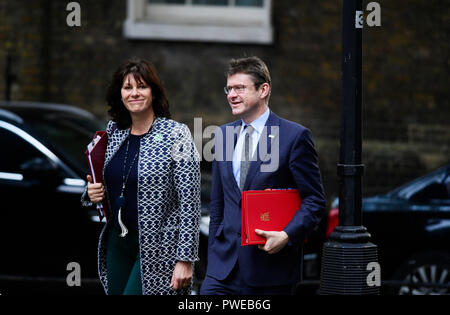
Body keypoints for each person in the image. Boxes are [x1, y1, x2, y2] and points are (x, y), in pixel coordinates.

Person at [200, 56, 326, 295]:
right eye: (229, 88)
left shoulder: (294, 137)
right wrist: (214, 252)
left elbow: (315, 200)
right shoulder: (223, 136)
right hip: (221, 270)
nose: (231, 95)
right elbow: (218, 202)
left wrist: (287, 236)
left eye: (240, 88)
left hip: (269, 270)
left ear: (263, 90)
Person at [81, 58, 201, 295]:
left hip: (158, 246)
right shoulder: (114, 131)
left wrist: (186, 259)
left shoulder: (176, 134)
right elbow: (106, 180)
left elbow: (190, 202)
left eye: (142, 86)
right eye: (128, 88)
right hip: (117, 240)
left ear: (154, 93)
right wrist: (90, 193)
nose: (134, 93)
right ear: (120, 94)